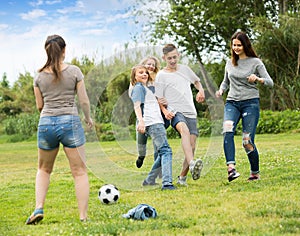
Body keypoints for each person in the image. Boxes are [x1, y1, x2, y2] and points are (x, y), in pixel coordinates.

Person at [25, 35, 93, 224]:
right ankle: (83, 217)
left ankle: (38, 207)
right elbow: (84, 101)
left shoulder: (38, 76)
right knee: (79, 172)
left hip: (46, 123)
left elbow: (40, 106)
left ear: (46, 50)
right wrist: (88, 118)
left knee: (44, 170)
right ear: (64, 50)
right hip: (70, 122)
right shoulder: (74, 71)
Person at [215, 31, 274, 182]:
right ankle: (231, 169)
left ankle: (254, 173)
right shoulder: (230, 63)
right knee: (227, 129)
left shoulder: (256, 62)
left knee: (247, 140)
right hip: (232, 102)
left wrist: (258, 79)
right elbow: (226, 82)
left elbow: (270, 82)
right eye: (234, 45)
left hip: (250, 103)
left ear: (245, 45)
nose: (236, 48)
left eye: (239, 45)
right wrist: (221, 90)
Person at [155, 43, 206, 186]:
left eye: (174, 57)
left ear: (178, 55)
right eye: (169, 58)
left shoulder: (185, 69)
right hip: (174, 111)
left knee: (192, 145)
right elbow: (158, 97)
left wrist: (201, 91)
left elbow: (196, 81)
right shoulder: (161, 75)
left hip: (190, 110)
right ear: (164, 58)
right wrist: (165, 111)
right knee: (184, 130)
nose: (172, 61)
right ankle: (191, 163)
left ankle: (182, 177)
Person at [130, 64, 175, 190]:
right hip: (152, 123)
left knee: (162, 152)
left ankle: (149, 180)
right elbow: (137, 106)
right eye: (140, 72)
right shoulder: (138, 88)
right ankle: (167, 183)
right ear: (134, 77)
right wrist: (141, 121)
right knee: (166, 151)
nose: (144, 74)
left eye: (145, 72)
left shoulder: (148, 88)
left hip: (157, 122)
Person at [128, 56, 162, 168]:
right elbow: (133, 96)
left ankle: (157, 169)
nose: (151, 66)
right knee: (141, 141)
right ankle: (141, 156)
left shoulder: (156, 80)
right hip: (142, 114)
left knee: (158, 144)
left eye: (153, 65)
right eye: (149, 64)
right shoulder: (138, 80)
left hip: (154, 115)